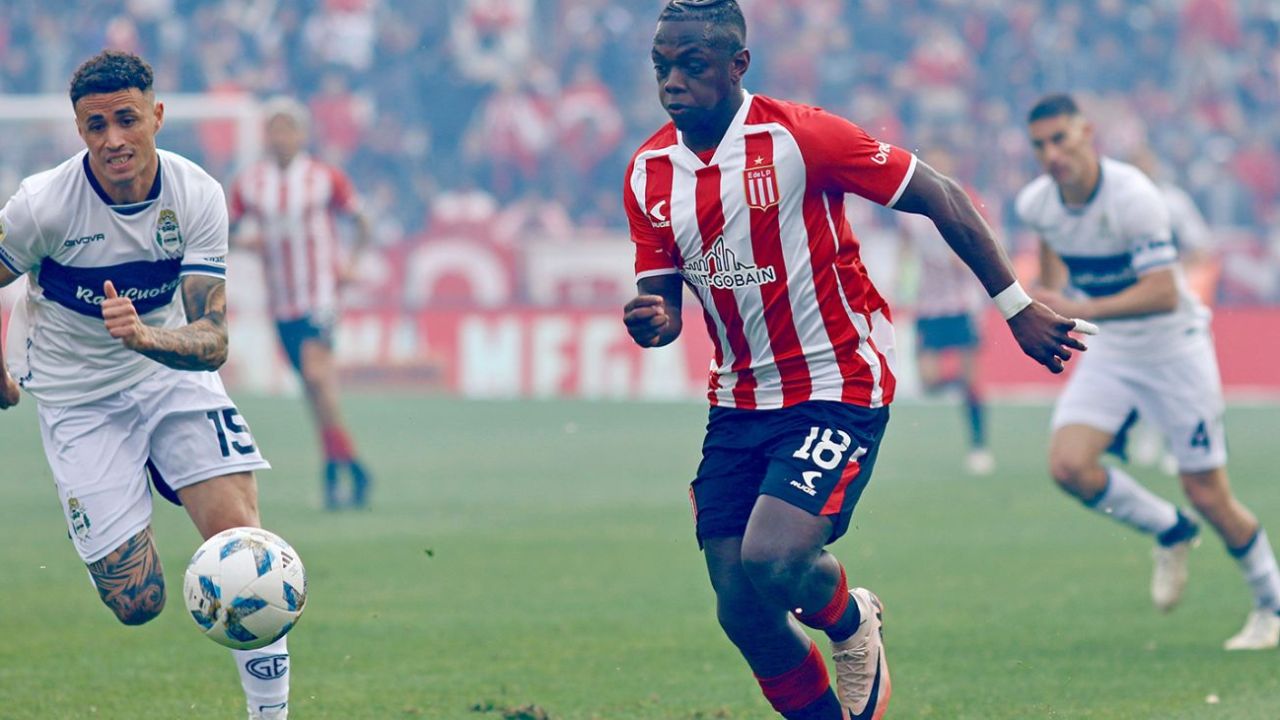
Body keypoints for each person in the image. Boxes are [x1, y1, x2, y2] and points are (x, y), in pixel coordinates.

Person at [621, 3, 1089, 718]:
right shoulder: (650, 172)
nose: (672, 82)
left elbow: (941, 195)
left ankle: (849, 619)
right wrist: (652, 322)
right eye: (662, 66)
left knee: (773, 560)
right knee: (739, 607)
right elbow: (663, 305)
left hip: (836, 382)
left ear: (738, 66)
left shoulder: (801, 136)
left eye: (692, 65)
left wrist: (1016, 306)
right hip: (739, 401)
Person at [0, 51, 292, 718]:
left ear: (156, 116)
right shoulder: (42, 206)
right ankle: (125, 495)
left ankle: (270, 713)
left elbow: (213, 339)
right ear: (80, 131)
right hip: (77, 397)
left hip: (169, 376)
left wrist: (145, 339)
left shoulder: (197, 195)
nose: (113, 139)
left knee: (243, 549)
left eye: (127, 119)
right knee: (137, 601)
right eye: (95, 126)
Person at [1016, 93, 1280, 650]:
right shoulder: (1037, 202)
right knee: (1069, 466)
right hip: (1114, 349)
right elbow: (1052, 262)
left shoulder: (1134, 196)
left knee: (1207, 492)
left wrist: (1080, 307)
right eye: (1040, 145)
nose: (1052, 154)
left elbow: (1163, 293)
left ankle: (1271, 603)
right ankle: (1170, 528)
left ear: (1087, 134)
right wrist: (1048, 298)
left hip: (1173, 349)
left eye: (1060, 139)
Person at [229, 97, 372, 510]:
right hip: (281, 302)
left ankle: (340, 467)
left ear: (302, 134)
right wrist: (248, 244)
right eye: (274, 129)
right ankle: (344, 463)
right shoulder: (251, 183)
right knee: (314, 388)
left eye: (288, 129)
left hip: (319, 295)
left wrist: (351, 264)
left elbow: (361, 221)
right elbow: (223, 230)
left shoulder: (324, 178)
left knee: (315, 374)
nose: (281, 137)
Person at [898, 148, 994, 476]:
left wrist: (965, 263)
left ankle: (979, 447)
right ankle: (960, 386)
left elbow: (985, 243)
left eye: (942, 162)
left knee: (972, 380)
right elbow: (905, 250)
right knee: (927, 381)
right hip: (928, 305)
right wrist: (900, 283)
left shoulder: (965, 201)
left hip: (960, 303)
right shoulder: (910, 210)